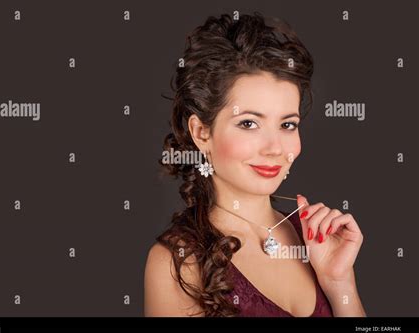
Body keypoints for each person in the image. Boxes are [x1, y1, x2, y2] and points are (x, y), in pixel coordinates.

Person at [145, 12, 365, 317]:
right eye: (248, 123)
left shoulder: (314, 239)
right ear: (201, 132)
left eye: (287, 125)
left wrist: (340, 283)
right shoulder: (179, 263)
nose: (275, 148)